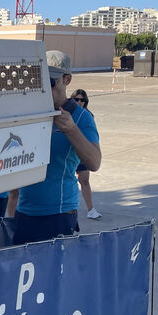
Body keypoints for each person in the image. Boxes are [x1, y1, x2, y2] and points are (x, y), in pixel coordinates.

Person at [8, 51, 101, 244]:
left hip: (58, 213)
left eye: (49, 81)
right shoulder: (29, 115)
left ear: (66, 80)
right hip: (24, 211)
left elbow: (94, 162)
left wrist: (72, 130)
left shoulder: (82, 118)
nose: (43, 87)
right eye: (38, 80)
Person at [71, 88, 102, 220]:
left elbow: (92, 137)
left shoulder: (87, 116)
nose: (79, 102)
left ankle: (90, 209)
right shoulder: (67, 113)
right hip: (69, 151)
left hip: (82, 152)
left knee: (84, 179)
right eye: (76, 99)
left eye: (82, 100)